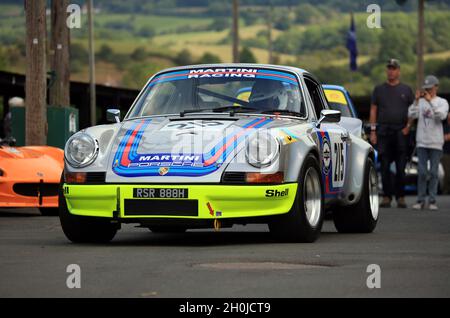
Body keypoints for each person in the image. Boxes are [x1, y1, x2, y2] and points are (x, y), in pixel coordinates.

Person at [369, 59, 414, 208]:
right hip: (384, 132)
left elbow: (413, 110)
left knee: (401, 167)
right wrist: (373, 131)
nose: (391, 71)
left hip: (401, 132)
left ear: (399, 71)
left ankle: (401, 197)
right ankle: (387, 197)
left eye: (394, 68)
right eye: (389, 68)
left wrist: (408, 127)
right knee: (385, 166)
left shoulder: (406, 90)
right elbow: (373, 110)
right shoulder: (379, 89)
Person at [408, 75, 449, 210]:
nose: (428, 91)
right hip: (422, 142)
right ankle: (420, 200)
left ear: (436, 87)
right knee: (422, 172)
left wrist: (430, 101)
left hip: (436, 142)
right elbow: (411, 115)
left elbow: (441, 116)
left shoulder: (442, 102)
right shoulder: (420, 102)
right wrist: (416, 101)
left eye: (430, 88)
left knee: (433, 172)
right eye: (426, 89)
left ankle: (432, 200)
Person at [442, 115, 450, 194]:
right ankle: (445, 190)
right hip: (446, 153)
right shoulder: (444, 127)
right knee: (447, 173)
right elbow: (443, 138)